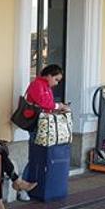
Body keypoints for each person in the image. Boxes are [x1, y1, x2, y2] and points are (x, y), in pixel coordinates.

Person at [19, 65, 70, 201]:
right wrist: (59, 106)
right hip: (36, 125)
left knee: (39, 157)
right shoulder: (37, 85)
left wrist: (57, 108)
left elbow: (48, 104)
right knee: (35, 157)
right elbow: (44, 103)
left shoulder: (45, 86)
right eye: (56, 79)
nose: (57, 83)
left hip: (43, 125)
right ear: (48, 75)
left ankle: (33, 186)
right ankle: (23, 186)